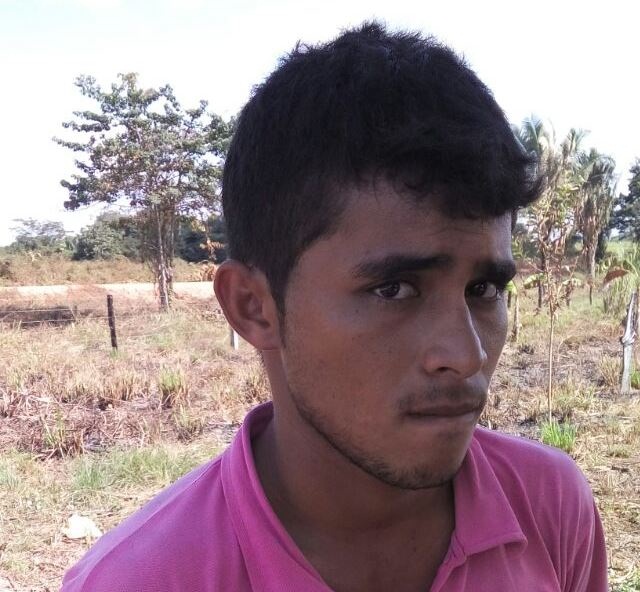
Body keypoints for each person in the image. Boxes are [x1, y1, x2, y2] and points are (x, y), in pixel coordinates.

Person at [61, 22, 607, 592]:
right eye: (394, 289)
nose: (466, 356)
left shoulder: (549, 507)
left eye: (484, 290)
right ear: (254, 308)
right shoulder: (138, 581)